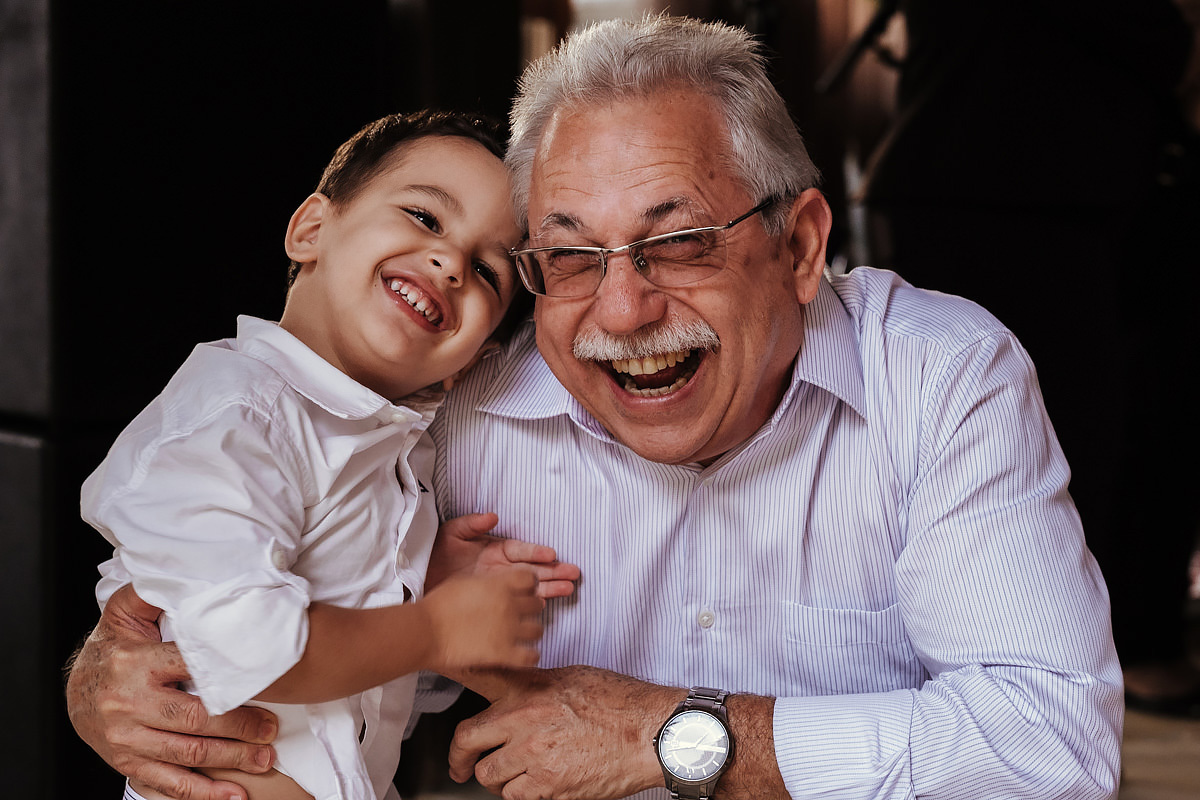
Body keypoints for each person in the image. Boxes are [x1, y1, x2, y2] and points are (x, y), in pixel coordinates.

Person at [65, 16, 1122, 800]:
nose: (622, 307)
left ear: (799, 246)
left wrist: (674, 734)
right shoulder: (445, 413)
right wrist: (110, 674)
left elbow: (1051, 745)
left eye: (678, 242)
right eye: (568, 256)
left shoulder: (939, 374)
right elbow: (252, 590)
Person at [75, 109, 579, 800]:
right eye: (426, 218)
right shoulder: (235, 415)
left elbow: (372, 693)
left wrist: (420, 583)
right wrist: (434, 627)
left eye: (489, 271)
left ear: (472, 362)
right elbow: (252, 651)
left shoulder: (391, 453)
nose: (451, 263)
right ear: (311, 229)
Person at [857, 0, 1200, 716]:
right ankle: (1054, 684)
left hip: (1027, 177)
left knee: (1103, 424)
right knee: (1055, 435)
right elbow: (1146, 34)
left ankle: (1091, 664)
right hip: (1010, 179)